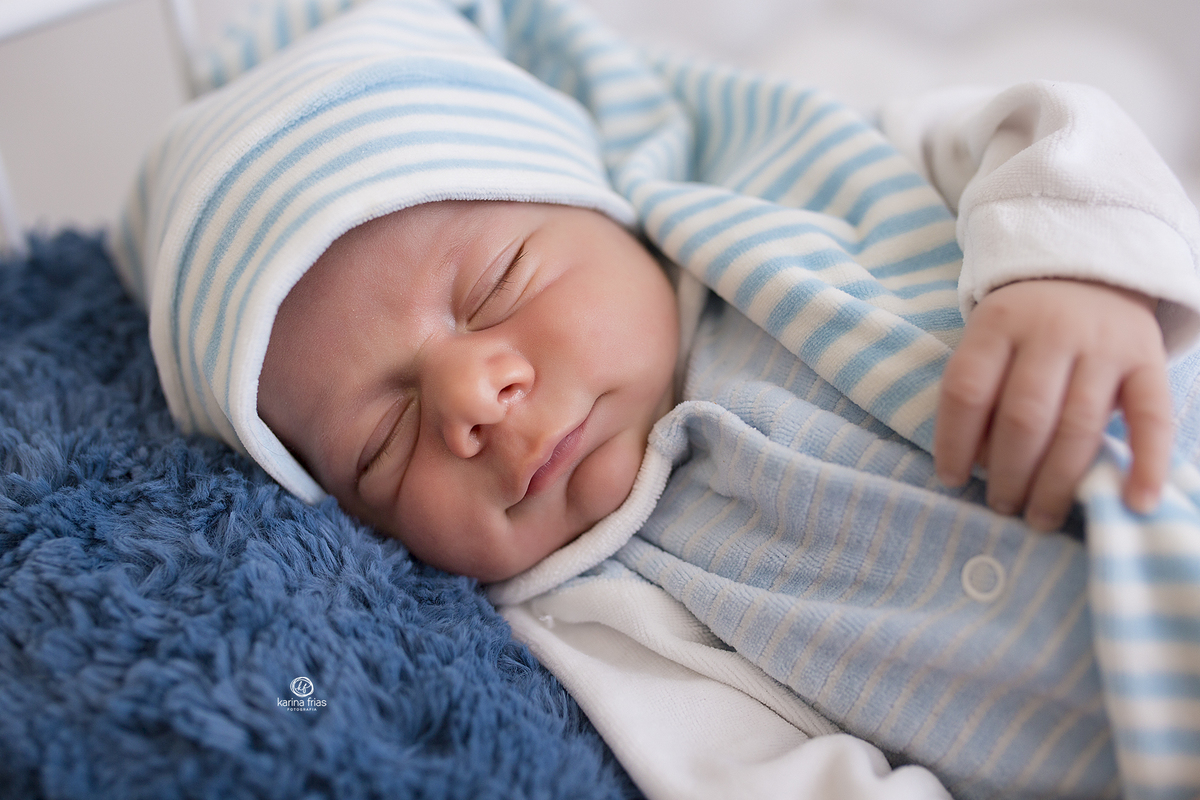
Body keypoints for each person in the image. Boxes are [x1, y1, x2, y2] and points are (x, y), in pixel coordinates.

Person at [111, 0, 1200, 796]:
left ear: (601, 205)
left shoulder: (791, 208)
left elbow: (1038, 131)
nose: (473, 399)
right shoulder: (593, 611)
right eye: (383, 444)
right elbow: (760, 770)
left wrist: (1070, 274)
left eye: (494, 288)